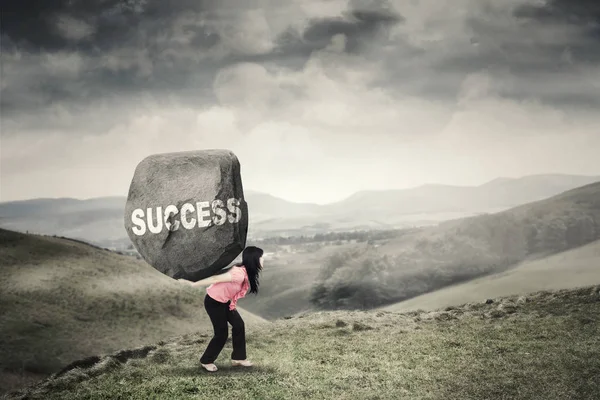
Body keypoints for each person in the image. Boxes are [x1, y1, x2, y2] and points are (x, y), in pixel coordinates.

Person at [178, 246, 264, 372]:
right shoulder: (239, 274)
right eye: (261, 257)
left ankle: (238, 358)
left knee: (239, 325)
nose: (263, 260)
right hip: (214, 302)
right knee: (221, 333)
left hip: (225, 302)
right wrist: (193, 284)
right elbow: (215, 279)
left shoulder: (245, 271)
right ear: (255, 259)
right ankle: (206, 360)